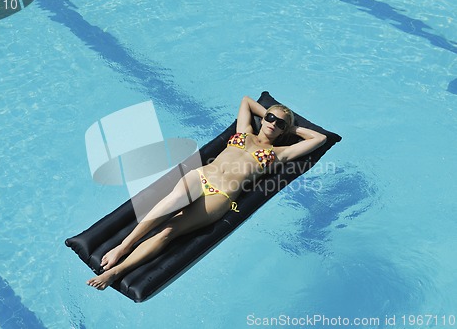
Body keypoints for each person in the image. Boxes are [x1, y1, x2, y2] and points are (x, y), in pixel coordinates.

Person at [87, 96, 327, 290]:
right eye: (271, 117)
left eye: (280, 124)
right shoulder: (244, 131)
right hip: (201, 177)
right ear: (263, 118)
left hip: (221, 196)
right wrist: (272, 115)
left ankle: (116, 271)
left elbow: (320, 138)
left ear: (284, 130)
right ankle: (123, 246)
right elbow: (246, 101)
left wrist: (291, 127)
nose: (273, 124)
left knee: (170, 231)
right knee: (173, 200)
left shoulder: (279, 153)